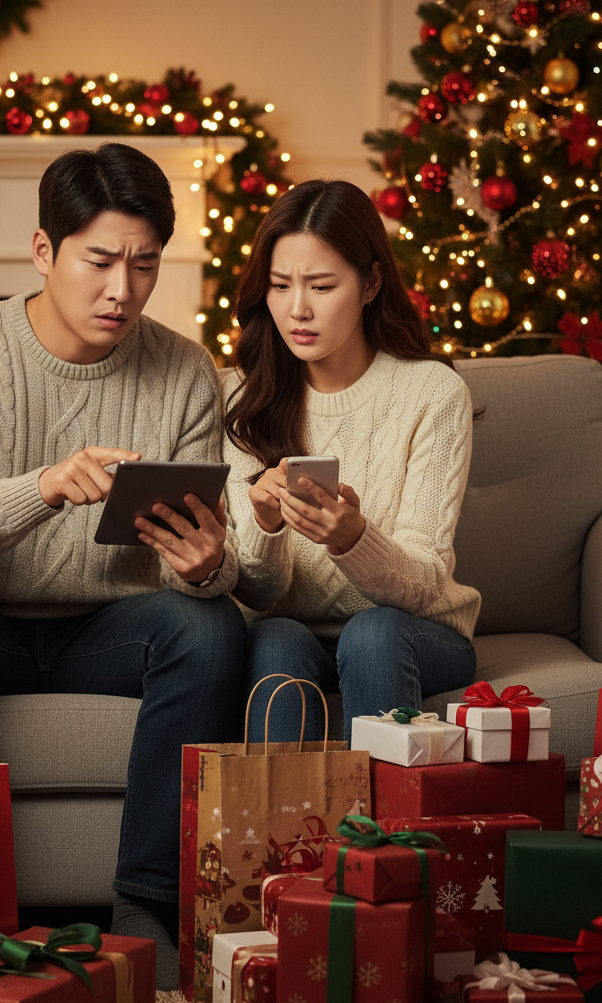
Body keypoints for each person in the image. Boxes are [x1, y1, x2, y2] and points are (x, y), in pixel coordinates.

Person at [0, 142, 246, 990]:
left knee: (211, 623)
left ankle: (148, 910)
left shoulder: (185, 369)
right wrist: (38, 490)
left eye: (145, 265)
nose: (124, 289)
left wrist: (208, 565)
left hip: (110, 628)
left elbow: (212, 569)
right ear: (45, 252)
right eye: (101, 260)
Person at [221, 178, 480, 743]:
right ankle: (287, 831)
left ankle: (384, 832)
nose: (298, 309)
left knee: (372, 634)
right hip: (292, 631)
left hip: (414, 630)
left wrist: (353, 539)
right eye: (279, 285)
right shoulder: (242, 396)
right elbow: (258, 595)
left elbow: (425, 584)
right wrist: (264, 527)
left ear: (370, 283)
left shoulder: (431, 393)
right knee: (274, 640)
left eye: (321, 285)